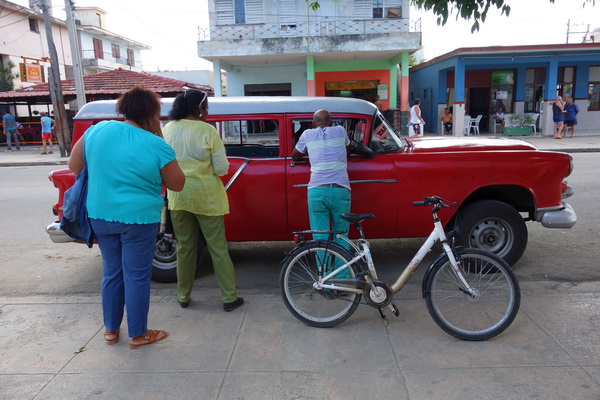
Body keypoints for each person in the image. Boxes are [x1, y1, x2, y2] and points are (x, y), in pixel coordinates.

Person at [68, 87, 185, 348]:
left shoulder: (97, 130)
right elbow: (177, 184)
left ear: (123, 110)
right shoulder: (157, 144)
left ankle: (111, 330)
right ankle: (138, 334)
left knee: (112, 273)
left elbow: (74, 166)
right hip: (138, 220)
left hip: (100, 215)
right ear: (153, 114)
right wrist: (159, 136)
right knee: (136, 276)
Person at [162, 90, 243, 312]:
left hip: (178, 196)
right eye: (206, 107)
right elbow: (221, 168)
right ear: (198, 109)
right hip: (207, 197)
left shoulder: (168, 129)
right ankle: (229, 298)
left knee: (185, 247)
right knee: (218, 248)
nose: (207, 112)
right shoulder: (208, 130)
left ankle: (183, 296)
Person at [292, 109, 352, 277]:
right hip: (341, 189)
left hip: (317, 190)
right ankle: (342, 279)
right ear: (331, 122)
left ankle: (325, 279)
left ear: (313, 123)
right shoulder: (340, 131)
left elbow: (295, 155)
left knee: (320, 238)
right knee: (341, 235)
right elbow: (348, 149)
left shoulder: (307, 134)